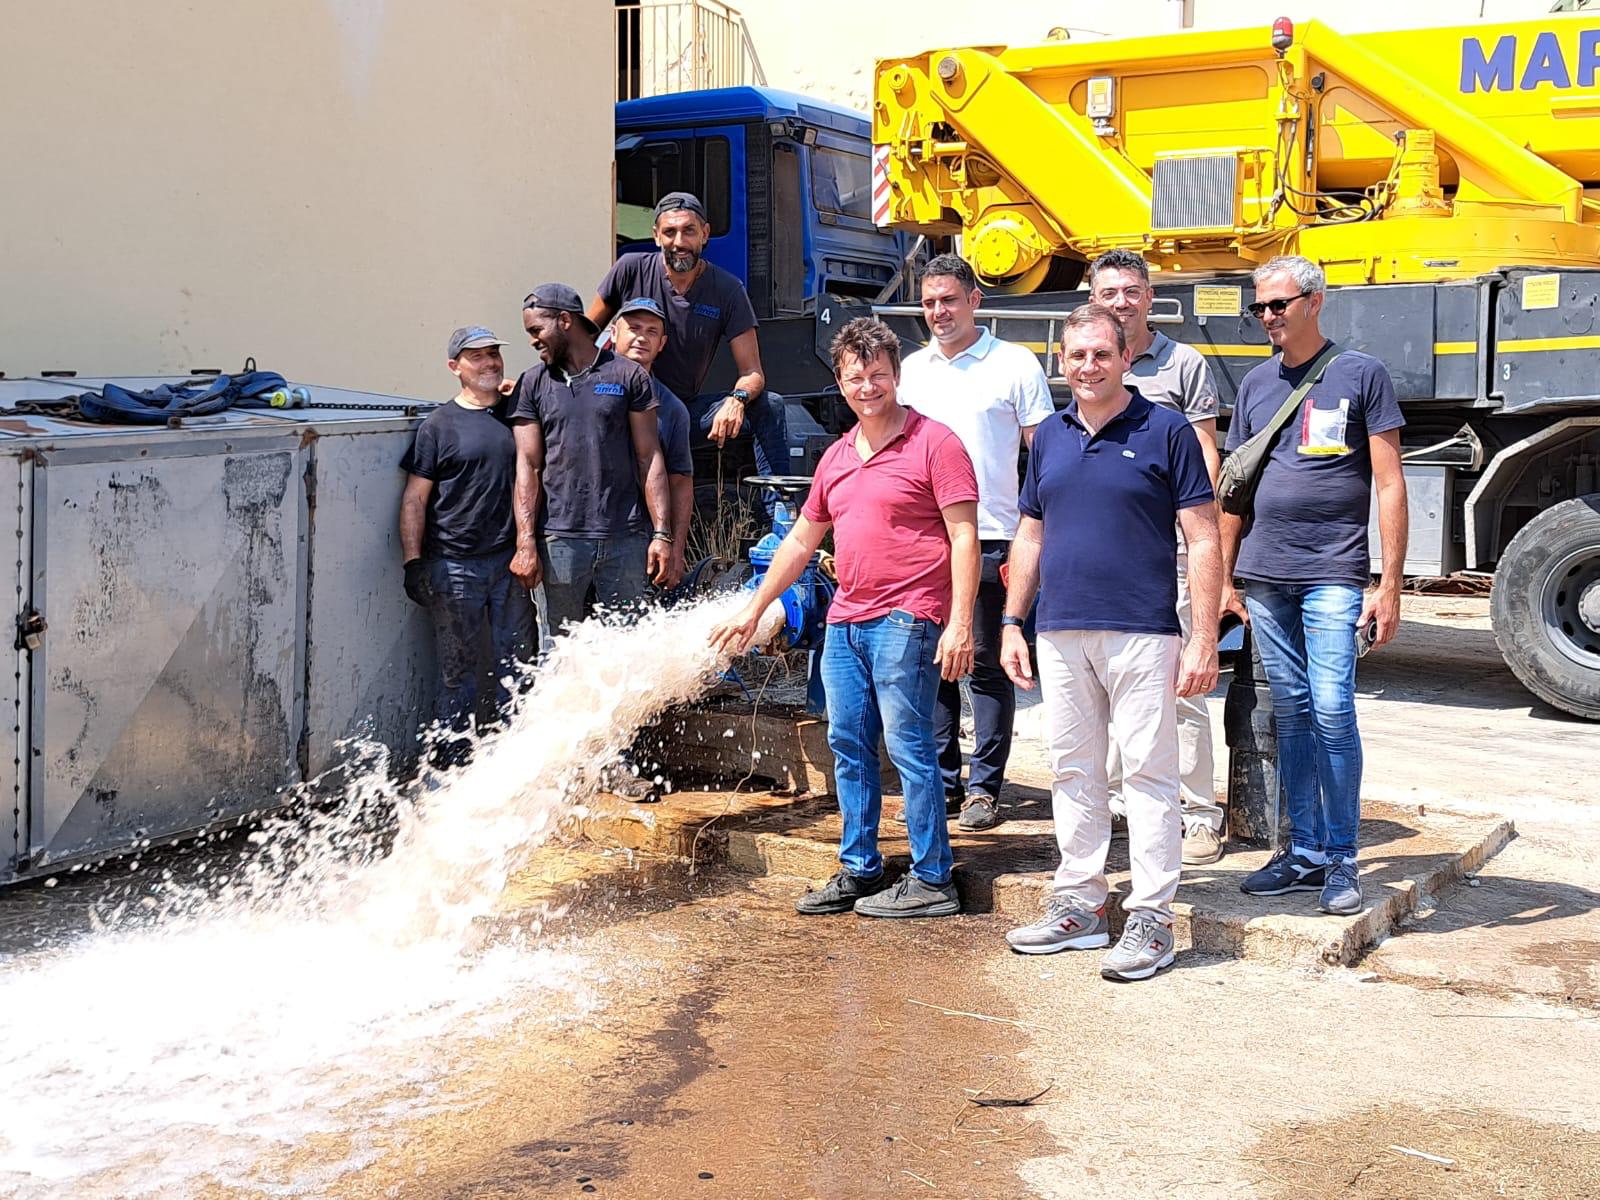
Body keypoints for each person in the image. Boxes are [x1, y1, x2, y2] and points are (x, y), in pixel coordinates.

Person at [709, 317, 980, 920]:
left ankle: (934, 877)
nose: (867, 387)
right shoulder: (835, 457)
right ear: (840, 380)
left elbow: (965, 536)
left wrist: (961, 622)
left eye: (878, 375)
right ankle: (860, 867)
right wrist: (752, 609)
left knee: (910, 746)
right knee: (848, 745)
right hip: (848, 620)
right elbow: (802, 543)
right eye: (856, 377)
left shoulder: (937, 443)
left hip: (908, 617)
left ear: (896, 376)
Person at [999, 304, 1221, 982]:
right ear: (1059, 363)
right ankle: (1082, 907)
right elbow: (1031, 535)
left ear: (1127, 358)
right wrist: (1012, 620)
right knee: (1073, 770)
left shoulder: (1167, 430)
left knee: (1149, 776)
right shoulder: (1051, 440)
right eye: (1076, 356)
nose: (1088, 366)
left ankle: (1152, 916)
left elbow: (1204, 536)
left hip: (1143, 630)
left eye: (1101, 354)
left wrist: (1203, 635)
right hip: (1061, 630)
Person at [1222, 255, 1408, 917]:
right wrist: (1223, 580)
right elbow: (1233, 493)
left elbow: (1389, 483)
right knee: (1293, 712)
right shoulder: (1254, 386)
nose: (1268, 317)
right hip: (1266, 577)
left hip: (1333, 573)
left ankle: (1342, 858)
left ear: (1315, 301)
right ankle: (1300, 855)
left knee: (1332, 708)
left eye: (1278, 304)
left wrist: (1387, 586)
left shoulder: (1361, 375)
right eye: (1260, 308)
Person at [897, 253, 1054, 832]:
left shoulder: (1014, 365)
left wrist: (1034, 534)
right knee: (936, 665)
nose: (939, 311)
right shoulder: (911, 370)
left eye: (949, 300)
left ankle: (986, 788)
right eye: (930, 301)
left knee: (987, 665)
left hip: (993, 536)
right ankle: (941, 783)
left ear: (975, 302)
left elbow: (1042, 453)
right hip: (925, 540)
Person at [1089, 248, 1227, 865]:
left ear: (1149, 295)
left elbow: (1206, 460)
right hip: (1102, 554)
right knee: (1111, 685)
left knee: (1181, 686)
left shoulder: (1184, 365)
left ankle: (1197, 815)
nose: (1119, 302)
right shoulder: (1088, 359)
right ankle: (1123, 803)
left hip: (1166, 550)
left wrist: (1202, 547)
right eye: (1108, 292)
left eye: (1130, 291)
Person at [399, 325, 537, 757]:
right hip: (453, 567)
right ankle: (450, 766)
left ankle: (514, 759)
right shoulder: (437, 426)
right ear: (454, 367)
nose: (489, 363)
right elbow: (414, 500)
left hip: (510, 563)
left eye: (493, 354)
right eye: (476, 356)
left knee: (518, 667)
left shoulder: (517, 413)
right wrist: (413, 562)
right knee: (457, 673)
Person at [588, 192, 790, 485]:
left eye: (689, 231)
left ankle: (781, 515)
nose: (679, 242)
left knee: (769, 406)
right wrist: (545, 383)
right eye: (670, 232)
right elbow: (583, 338)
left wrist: (737, 399)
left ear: (705, 234)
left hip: (679, 414)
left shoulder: (728, 289)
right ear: (656, 236)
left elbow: (753, 372)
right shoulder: (630, 269)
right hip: (621, 404)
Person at [508, 284, 672, 635]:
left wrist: (661, 534)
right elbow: (528, 466)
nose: (533, 340)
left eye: (537, 330)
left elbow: (650, 456)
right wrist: (525, 542)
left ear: (565, 321)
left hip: (625, 540)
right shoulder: (532, 384)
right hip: (560, 542)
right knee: (563, 650)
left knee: (625, 648)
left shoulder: (628, 376)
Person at [611, 296, 694, 589]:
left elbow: (680, 482)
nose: (641, 337)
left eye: (652, 331)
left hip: (637, 545)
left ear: (662, 343)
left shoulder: (672, 409)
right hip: (579, 541)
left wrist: (676, 548)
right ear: (613, 334)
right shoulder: (582, 392)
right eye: (634, 327)